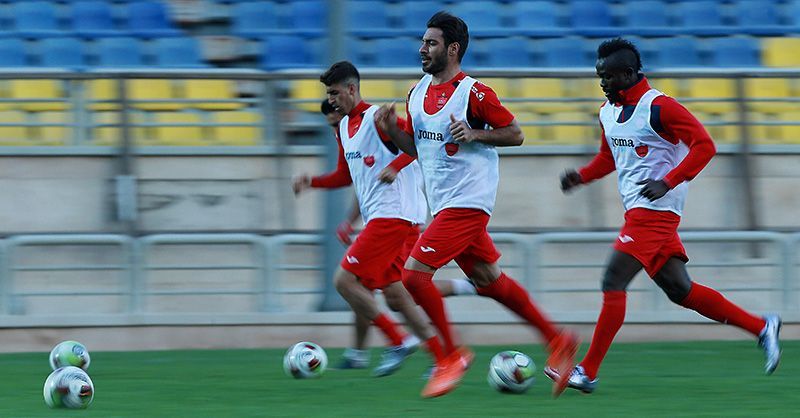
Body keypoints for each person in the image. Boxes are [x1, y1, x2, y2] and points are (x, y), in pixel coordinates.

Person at [545, 37, 782, 395]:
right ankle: (762, 327)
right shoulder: (607, 112)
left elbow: (705, 146)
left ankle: (588, 371)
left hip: (656, 212)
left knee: (613, 281)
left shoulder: (660, 107)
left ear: (629, 74)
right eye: (599, 76)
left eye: (608, 76)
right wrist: (581, 177)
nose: (602, 82)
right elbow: (609, 157)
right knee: (680, 290)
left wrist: (668, 181)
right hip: (638, 212)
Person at [374, 11, 579, 398]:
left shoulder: (475, 93)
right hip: (443, 203)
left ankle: (450, 356)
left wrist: (474, 134)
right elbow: (415, 149)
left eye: (431, 43)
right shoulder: (416, 93)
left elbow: (516, 134)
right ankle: (558, 339)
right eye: (423, 42)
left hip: (469, 201)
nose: (422, 49)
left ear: (452, 49)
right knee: (489, 281)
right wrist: (390, 130)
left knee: (413, 277)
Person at [293, 61, 446, 377]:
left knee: (345, 281)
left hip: (393, 216)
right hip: (382, 217)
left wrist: (395, 167)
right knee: (395, 293)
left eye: (335, 93)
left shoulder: (377, 118)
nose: (331, 100)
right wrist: (312, 182)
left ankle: (398, 340)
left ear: (351, 89)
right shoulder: (344, 129)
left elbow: (418, 146)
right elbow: (344, 175)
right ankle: (442, 358)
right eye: (328, 94)